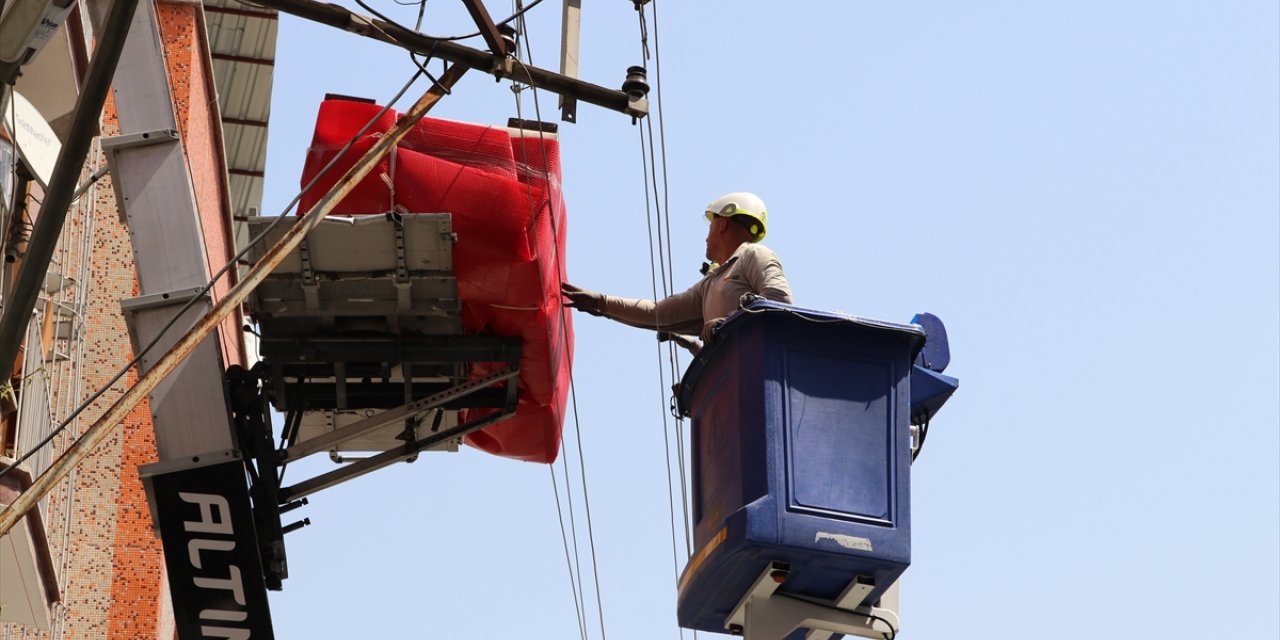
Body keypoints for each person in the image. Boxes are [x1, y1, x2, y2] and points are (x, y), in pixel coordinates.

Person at [562, 192, 792, 352]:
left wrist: (729, 323)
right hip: (730, 383)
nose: (706, 236)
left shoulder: (754, 255)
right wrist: (601, 303)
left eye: (710, 226)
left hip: (757, 369)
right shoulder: (709, 285)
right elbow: (658, 313)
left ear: (723, 224)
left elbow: (780, 302)